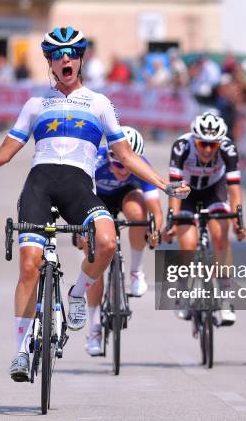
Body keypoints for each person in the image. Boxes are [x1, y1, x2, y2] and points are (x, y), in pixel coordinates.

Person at [0, 26, 190, 382]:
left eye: (71, 53)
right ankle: (21, 352)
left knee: (107, 241)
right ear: (49, 63)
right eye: (57, 55)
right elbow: (5, 153)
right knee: (28, 265)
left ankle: (78, 292)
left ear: (81, 59)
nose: (65, 59)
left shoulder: (99, 103)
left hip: (78, 187)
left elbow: (125, 154)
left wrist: (164, 184)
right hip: (39, 185)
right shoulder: (36, 105)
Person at [78, 126, 163, 356]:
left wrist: (155, 228)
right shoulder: (94, 161)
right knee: (93, 259)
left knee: (138, 214)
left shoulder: (140, 163)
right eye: (118, 165)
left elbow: (154, 205)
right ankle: (94, 328)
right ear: (110, 156)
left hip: (127, 196)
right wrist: (80, 232)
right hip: (96, 200)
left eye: (128, 166)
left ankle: (136, 272)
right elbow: (77, 200)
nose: (123, 170)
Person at [163, 112, 246, 325]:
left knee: (220, 238)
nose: (208, 149)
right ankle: (182, 291)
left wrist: (239, 219)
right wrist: (171, 220)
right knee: (188, 245)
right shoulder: (182, 146)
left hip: (214, 191)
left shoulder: (228, 148)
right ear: (195, 140)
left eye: (213, 145)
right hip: (186, 191)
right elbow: (174, 185)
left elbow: (234, 187)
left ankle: (226, 297)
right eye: (203, 144)